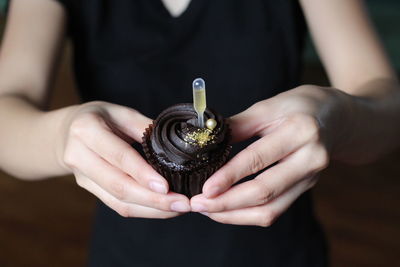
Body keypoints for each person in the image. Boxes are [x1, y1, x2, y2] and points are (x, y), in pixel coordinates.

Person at [0, 0, 399, 266]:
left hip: (278, 249)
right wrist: (61, 136)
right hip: (127, 251)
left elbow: (387, 105)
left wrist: (339, 116)